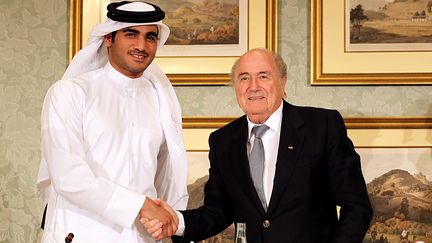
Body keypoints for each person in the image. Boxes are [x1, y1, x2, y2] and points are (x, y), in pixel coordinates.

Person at [143, 48, 373, 242]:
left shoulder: (321, 127)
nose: (253, 86)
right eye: (244, 78)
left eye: (263, 76)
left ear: (282, 82)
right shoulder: (222, 141)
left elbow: (357, 206)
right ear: (236, 87)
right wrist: (177, 221)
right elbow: (218, 212)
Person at [36, 1, 188, 242]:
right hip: (81, 232)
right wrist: (141, 205)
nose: (141, 45)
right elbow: (68, 176)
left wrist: (162, 216)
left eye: (150, 37)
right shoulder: (69, 93)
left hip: (142, 236)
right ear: (108, 38)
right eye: (131, 34)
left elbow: (166, 173)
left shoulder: (160, 98)